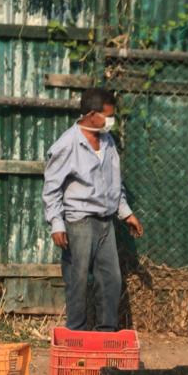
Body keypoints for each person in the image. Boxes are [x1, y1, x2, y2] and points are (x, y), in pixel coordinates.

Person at [42, 88, 144, 331]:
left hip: (106, 222)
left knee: (111, 279)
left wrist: (126, 213)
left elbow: (115, 182)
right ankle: (76, 332)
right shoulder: (67, 144)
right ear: (90, 115)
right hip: (80, 223)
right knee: (77, 279)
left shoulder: (107, 142)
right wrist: (56, 223)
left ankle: (106, 332)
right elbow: (52, 188)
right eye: (108, 116)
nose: (111, 121)